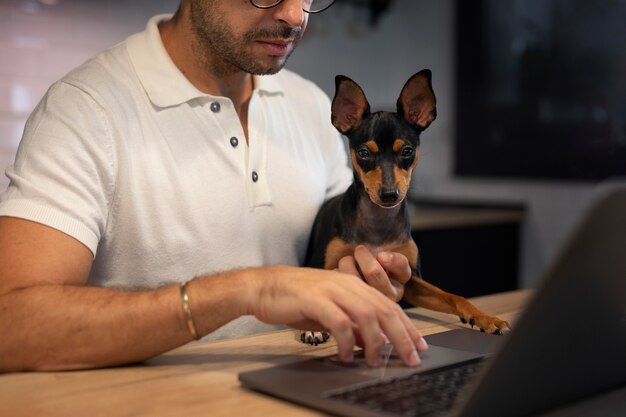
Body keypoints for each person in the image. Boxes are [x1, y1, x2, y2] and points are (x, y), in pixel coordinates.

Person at [0, 0, 428, 372]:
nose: (296, 16)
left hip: (309, 388)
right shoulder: (84, 110)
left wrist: (368, 280)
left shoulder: (313, 106)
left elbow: (346, 256)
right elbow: (11, 325)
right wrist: (249, 289)